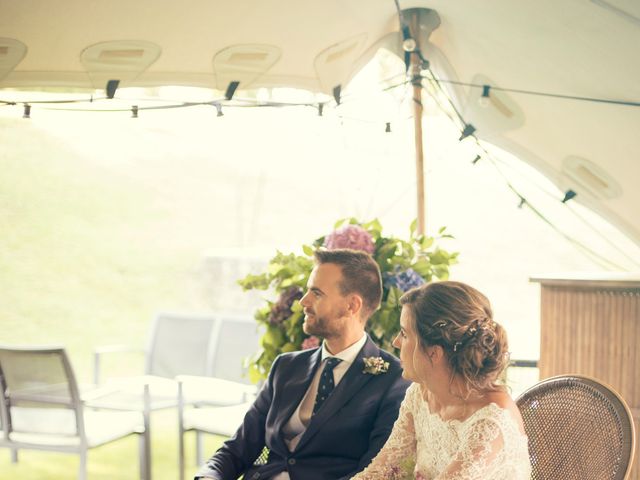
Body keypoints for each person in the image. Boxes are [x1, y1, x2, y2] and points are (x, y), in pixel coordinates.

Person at [196, 249, 410, 480]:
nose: (303, 301)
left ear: (352, 305)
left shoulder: (393, 379)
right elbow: (239, 448)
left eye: (316, 293)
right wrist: (210, 476)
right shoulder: (286, 367)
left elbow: (374, 471)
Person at [351, 281, 531, 480]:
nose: (396, 342)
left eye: (404, 334)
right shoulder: (420, 393)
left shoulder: (490, 421)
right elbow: (384, 470)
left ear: (434, 352)